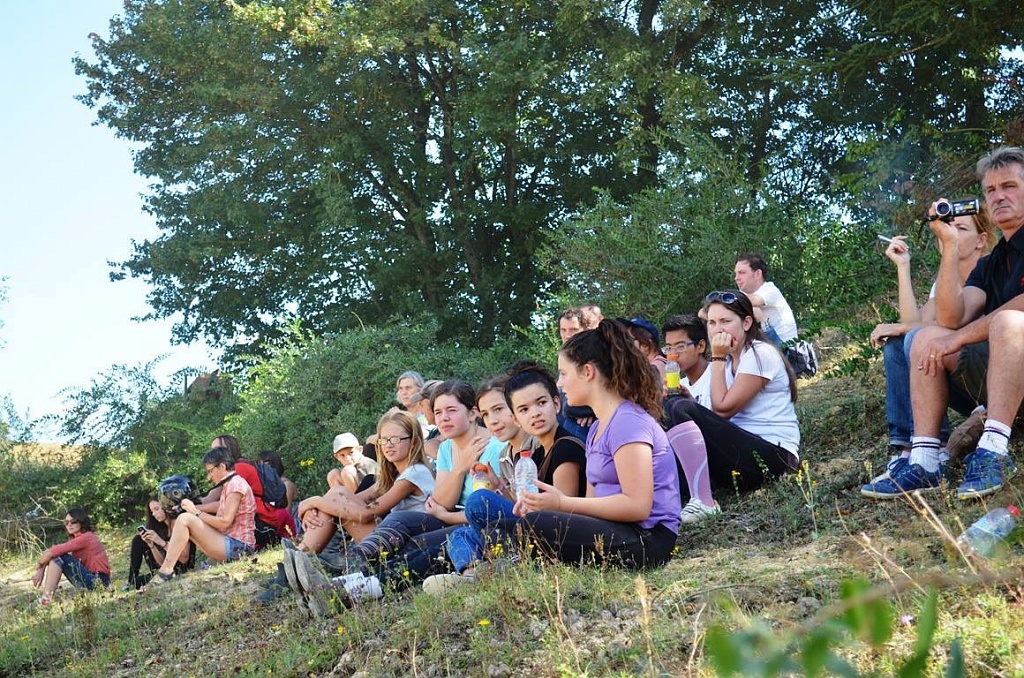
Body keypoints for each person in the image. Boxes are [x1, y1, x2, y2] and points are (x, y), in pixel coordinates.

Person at [864, 146, 1024, 499]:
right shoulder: (992, 262)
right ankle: (925, 460)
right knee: (924, 337)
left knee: (1009, 322)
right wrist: (949, 245)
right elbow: (952, 317)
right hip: (1005, 382)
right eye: (990, 190)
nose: (999, 196)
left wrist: (960, 338)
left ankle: (994, 452)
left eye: (1009, 186)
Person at [504, 319, 680, 569]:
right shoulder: (597, 428)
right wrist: (547, 507)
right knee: (531, 523)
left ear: (587, 372)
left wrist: (562, 504)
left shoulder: (627, 421)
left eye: (564, 374)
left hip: (649, 538)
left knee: (533, 527)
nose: (560, 383)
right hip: (616, 530)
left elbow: (638, 506)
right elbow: (591, 503)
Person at [862, 205, 993, 492]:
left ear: (981, 240)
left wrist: (903, 328)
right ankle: (907, 452)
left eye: (961, 229)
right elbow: (914, 325)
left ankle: (935, 448)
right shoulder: (946, 280)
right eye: (948, 227)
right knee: (897, 345)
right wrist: (903, 267)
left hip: (990, 381)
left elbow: (950, 324)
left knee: (913, 337)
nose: (950, 233)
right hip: (960, 382)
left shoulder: (988, 269)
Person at [424, 363, 587, 593]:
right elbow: (521, 503)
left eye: (541, 404)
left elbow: (563, 515)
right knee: (459, 534)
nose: (534, 414)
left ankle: (501, 566)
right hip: (533, 527)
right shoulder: (532, 453)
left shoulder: (563, 447)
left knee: (478, 502)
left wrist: (451, 513)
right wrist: (498, 485)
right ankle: (472, 575)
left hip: (554, 534)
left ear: (556, 403)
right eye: (524, 409)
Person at [664, 290, 800, 522]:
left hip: (774, 456)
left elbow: (723, 410)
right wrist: (691, 402)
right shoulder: (728, 360)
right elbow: (716, 417)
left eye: (726, 321)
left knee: (678, 407)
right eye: (712, 323)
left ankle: (704, 501)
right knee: (671, 404)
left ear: (746, 323)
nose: (718, 330)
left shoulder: (760, 353)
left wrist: (716, 358)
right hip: (740, 454)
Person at [292, 410, 434, 551]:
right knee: (337, 493)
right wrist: (311, 509)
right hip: (395, 538)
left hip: (412, 547)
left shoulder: (414, 474)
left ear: (414, 442)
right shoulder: (395, 476)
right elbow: (342, 500)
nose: (388, 445)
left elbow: (366, 515)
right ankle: (301, 554)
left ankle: (303, 554)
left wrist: (315, 501)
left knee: (336, 497)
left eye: (395, 439)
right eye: (384, 440)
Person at [149, 446, 257, 584]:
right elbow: (219, 507)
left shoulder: (235, 485)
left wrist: (195, 512)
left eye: (210, 471)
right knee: (185, 517)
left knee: (184, 519)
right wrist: (189, 508)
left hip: (240, 548)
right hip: (232, 544)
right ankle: (167, 569)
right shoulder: (230, 484)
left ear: (222, 466)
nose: (209, 476)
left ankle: (166, 571)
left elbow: (225, 522)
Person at [206, 434, 295, 546]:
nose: (213, 453)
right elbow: (212, 497)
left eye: (218, 449)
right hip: (265, 521)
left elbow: (224, 504)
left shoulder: (238, 469)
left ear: (229, 449)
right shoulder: (239, 467)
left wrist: (195, 510)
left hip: (263, 523)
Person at [32, 508, 110, 605]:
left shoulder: (87, 537)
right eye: (66, 522)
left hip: (99, 582)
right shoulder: (79, 539)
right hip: (92, 580)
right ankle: (46, 599)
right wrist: (42, 569)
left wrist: (40, 566)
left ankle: (46, 599)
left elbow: (51, 552)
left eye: (73, 521)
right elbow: (52, 551)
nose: (69, 525)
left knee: (59, 557)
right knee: (57, 555)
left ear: (81, 522)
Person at [126, 496, 196, 590]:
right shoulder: (162, 528)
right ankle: (131, 581)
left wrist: (160, 541)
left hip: (181, 569)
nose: (154, 514)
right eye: (152, 512)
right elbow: (161, 563)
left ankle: (133, 583)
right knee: (138, 540)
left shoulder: (179, 523)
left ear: (166, 506)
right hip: (165, 570)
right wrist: (151, 544)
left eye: (157, 509)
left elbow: (184, 558)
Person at [733, 253, 799, 346]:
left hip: (787, 348)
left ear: (758, 274)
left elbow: (753, 301)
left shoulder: (770, 289)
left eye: (742, 273)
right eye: (736, 273)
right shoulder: (744, 295)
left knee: (754, 310)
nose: (736, 278)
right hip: (766, 345)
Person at [662, 314, 711, 407]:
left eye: (680, 346)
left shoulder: (718, 376)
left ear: (701, 346)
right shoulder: (681, 387)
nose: (673, 354)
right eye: (668, 348)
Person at [628, 316, 668, 382]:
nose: (626, 345)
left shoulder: (657, 366)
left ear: (645, 345)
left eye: (630, 340)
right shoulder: (649, 366)